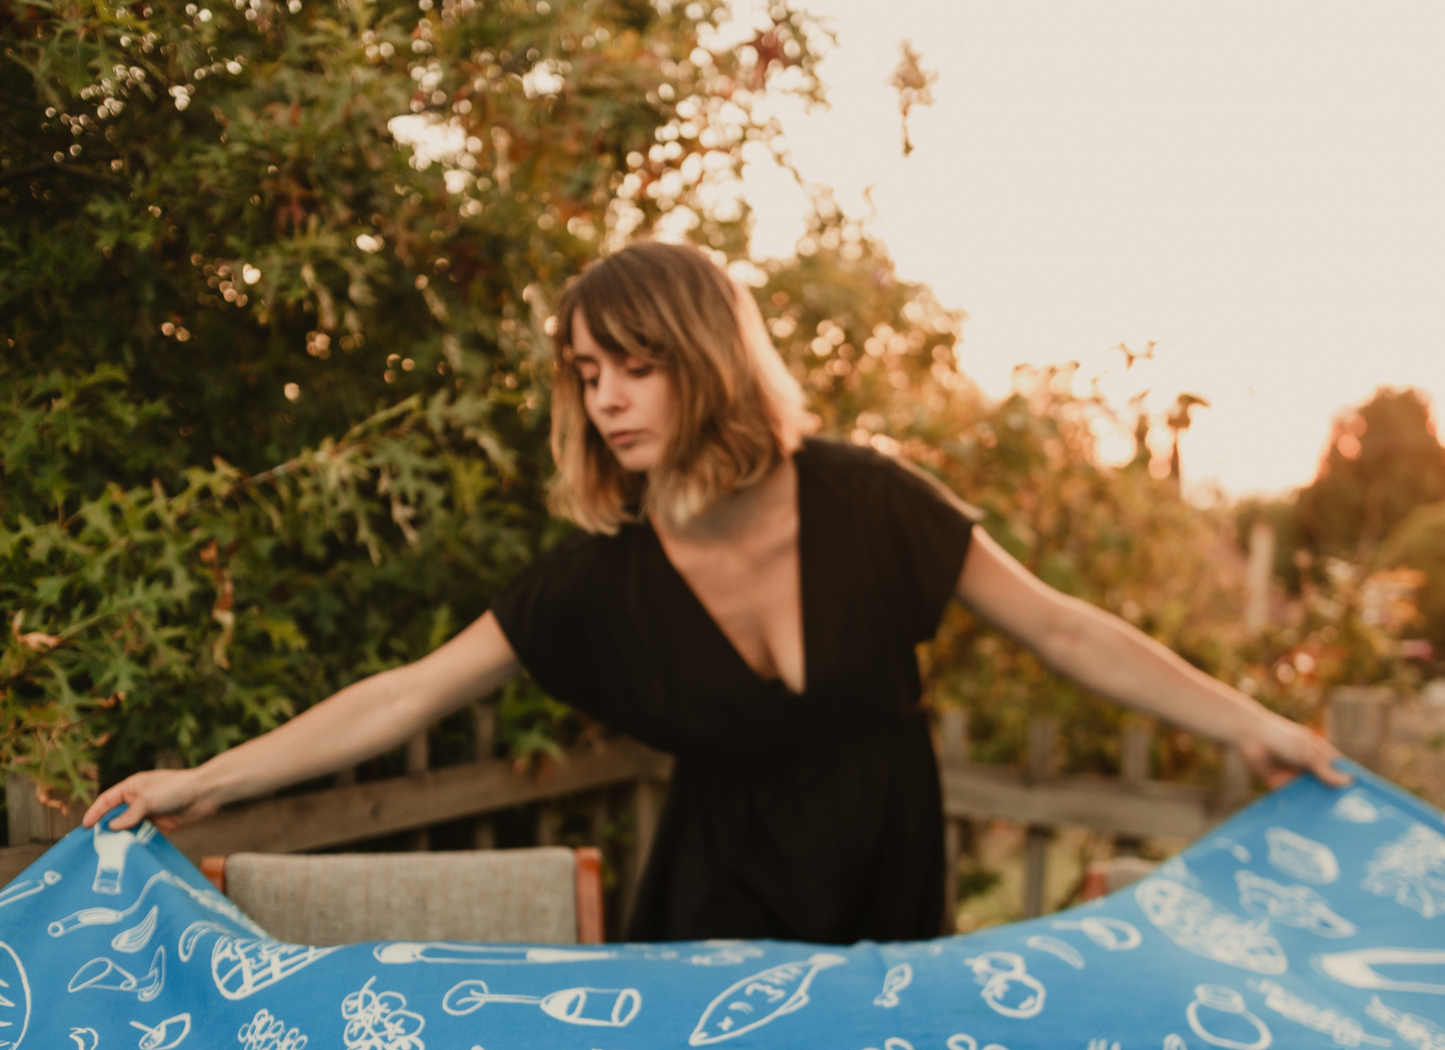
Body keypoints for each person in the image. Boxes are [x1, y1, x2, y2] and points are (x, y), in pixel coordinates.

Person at [83, 240, 1347, 944]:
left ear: (707, 363)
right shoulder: (592, 588)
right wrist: (203, 782)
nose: (608, 399)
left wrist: (1255, 725)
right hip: (711, 905)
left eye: (637, 365)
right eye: (587, 372)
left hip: (887, 876)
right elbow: (405, 695)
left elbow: (1066, 628)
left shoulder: (870, 499)